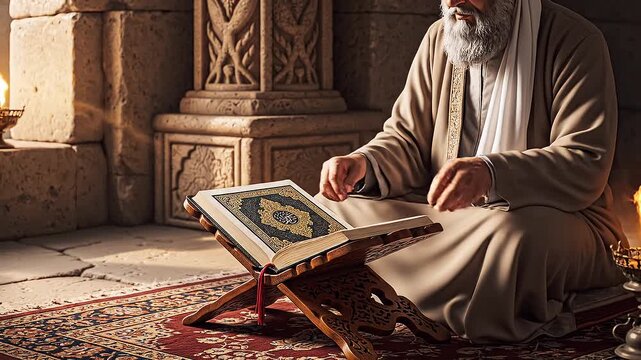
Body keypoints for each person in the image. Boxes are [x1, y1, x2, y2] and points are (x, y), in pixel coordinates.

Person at [316, 0, 628, 343]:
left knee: (514, 241)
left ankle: (405, 293)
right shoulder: (440, 37)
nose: (453, 3)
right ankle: (414, 292)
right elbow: (406, 140)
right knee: (332, 210)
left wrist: (491, 173)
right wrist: (364, 163)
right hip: (446, 217)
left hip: (547, 221)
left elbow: (584, 160)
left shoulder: (574, 39)